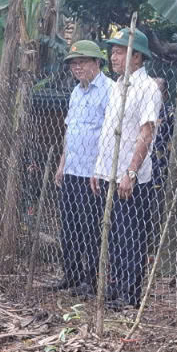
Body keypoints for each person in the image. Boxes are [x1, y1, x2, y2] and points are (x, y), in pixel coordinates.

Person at [90, 27, 163, 307]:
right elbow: (109, 131)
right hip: (109, 174)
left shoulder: (147, 89)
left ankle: (130, 295)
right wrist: (99, 170)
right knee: (114, 236)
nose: (114, 57)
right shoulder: (119, 85)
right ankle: (117, 286)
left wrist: (130, 172)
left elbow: (146, 133)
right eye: (113, 52)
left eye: (120, 52)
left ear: (138, 58)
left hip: (131, 179)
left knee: (131, 236)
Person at [50, 40, 113, 293]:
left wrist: (101, 168)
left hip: (93, 173)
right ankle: (72, 275)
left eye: (82, 62)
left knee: (91, 227)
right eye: (73, 64)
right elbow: (69, 131)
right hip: (72, 169)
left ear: (97, 62)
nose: (77, 67)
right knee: (69, 226)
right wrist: (61, 165)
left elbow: (110, 134)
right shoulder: (76, 92)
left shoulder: (110, 90)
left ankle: (93, 279)